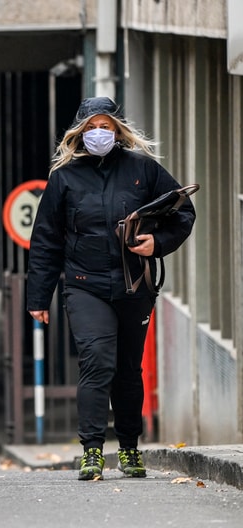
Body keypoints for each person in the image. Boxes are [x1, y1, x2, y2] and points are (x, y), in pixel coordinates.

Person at [26, 96, 196, 481]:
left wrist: (158, 242)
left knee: (127, 368)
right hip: (85, 285)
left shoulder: (143, 170)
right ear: (79, 132)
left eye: (105, 126)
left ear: (118, 131)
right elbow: (46, 239)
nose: (98, 133)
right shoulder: (64, 178)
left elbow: (183, 211)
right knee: (97, 360)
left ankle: (130, 448)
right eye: (91, 127)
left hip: (134, 285)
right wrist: (39, 297)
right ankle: (91, 450)